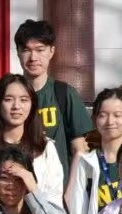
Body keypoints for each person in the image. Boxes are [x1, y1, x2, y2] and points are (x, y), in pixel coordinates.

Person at [0, 74, 64, 214]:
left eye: (24, 100)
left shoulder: (46, 148)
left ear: (32, 105)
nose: (16, 106)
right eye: (8, 99)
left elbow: (53, 200)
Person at [13, 19, 93, 177]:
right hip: (17, 187)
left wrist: (72, 188)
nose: (33, 57)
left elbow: (80, 149)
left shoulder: (65, 94)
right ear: (18, 52)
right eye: (26, 50)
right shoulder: (8, 96)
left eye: (40, 50)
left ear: (51, 51)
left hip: (58, 187)